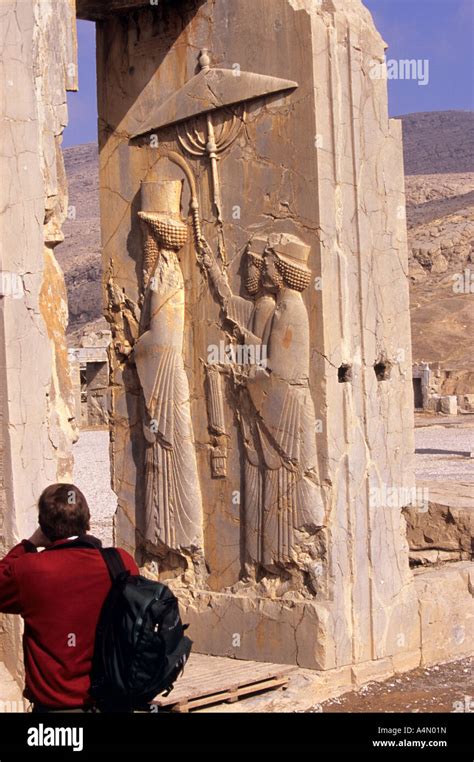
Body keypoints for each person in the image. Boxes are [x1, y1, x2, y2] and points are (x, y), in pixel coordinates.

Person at [0, 483, 138, 712]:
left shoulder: (29, 571)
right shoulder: (121, 563)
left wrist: (29, 544)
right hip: (113, 700)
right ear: (88, 521)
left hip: (57, 707)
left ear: (43, 526)